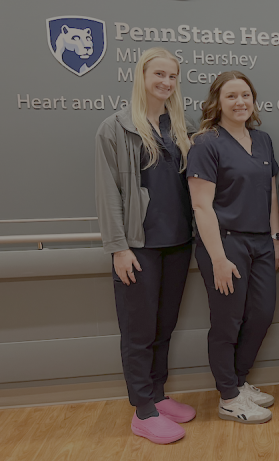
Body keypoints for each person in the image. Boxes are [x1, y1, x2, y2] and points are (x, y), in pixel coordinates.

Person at [95, 47, 196, 444]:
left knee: (163, 326)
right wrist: (118, 248)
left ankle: (157, 394)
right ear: (141, 76)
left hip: (178, 243)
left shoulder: (182, 127)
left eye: (172, 76)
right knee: (138, 331)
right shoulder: (115, 128)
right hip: (138, 247)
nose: (166, 82)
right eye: (159, 74)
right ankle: (143, 410)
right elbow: (108, 193)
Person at [187, 71, 279, 425]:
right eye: (231, 96)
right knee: (227, 321)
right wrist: (218, 258)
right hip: (225, 243)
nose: (240, 102)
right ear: (217, 102)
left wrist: (275, 238)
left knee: (261, 314)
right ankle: (228, 397)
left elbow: (271, 194)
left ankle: (239, 381)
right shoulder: (205, 143)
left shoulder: (263, 140)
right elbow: (201, 206)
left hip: (261, 241)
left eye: (246, 95)